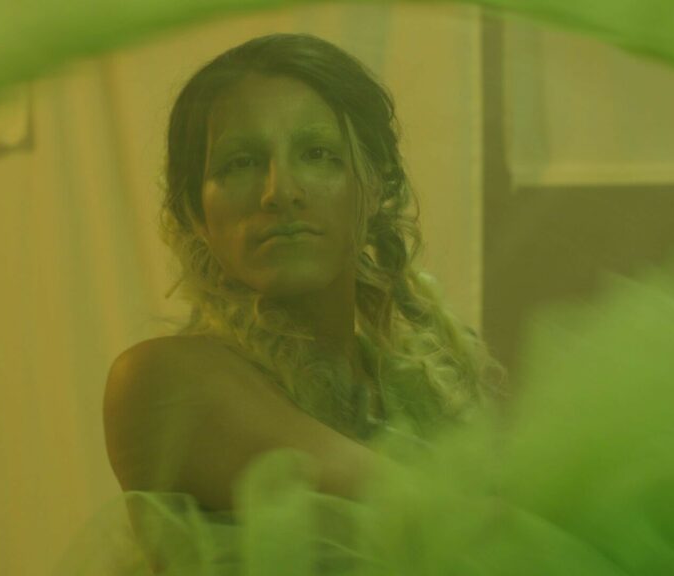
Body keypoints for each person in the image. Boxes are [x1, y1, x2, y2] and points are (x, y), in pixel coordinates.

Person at [102, 33, 499, 516]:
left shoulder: (425, 392)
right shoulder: (162, 384)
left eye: (317, 153)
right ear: (195, 214)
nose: (281, 191)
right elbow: (443, 518)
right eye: (241, 162)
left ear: (374, 186)